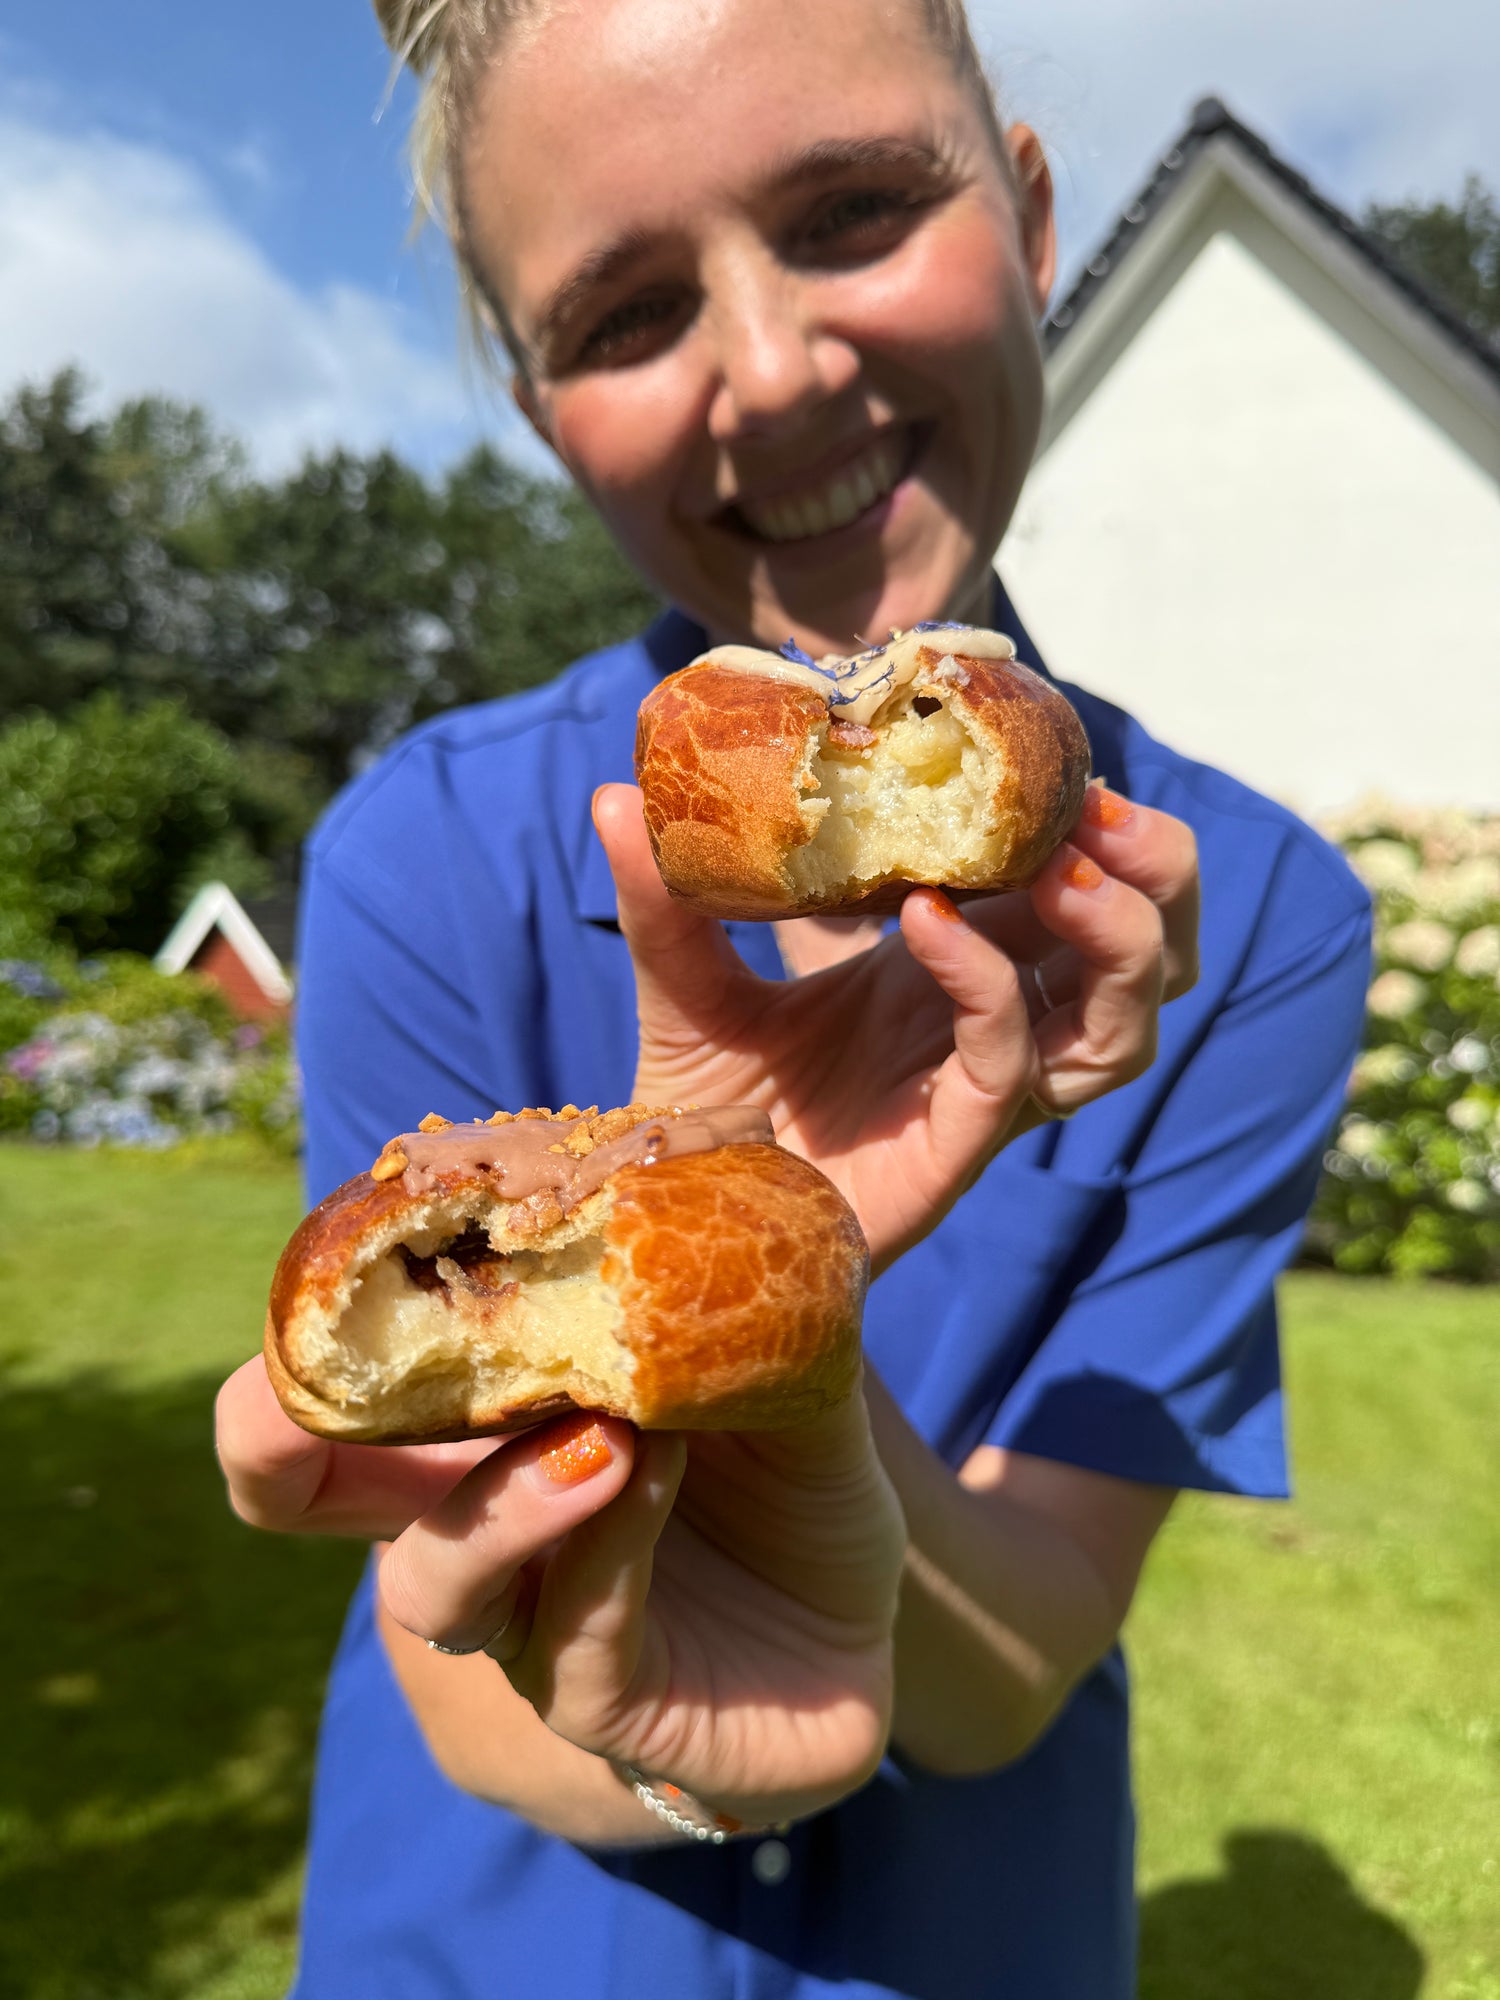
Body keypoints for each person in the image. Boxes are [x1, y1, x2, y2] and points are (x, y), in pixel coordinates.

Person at [214, 0, 1373, 1993]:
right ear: (539, 406)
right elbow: (454, 1663)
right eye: (625, 313)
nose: (769, 374)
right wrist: (709, 1247)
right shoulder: (427, 855)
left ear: (1028, 216)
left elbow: (1020, 1658)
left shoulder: (1253, 917)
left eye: (852, 212)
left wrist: (772, 1294)